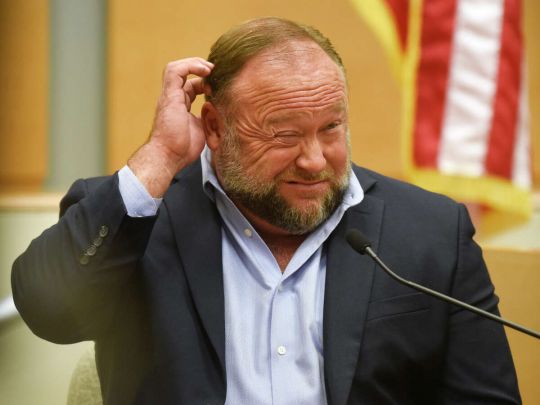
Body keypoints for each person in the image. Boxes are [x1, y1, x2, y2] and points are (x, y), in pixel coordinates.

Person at [12, 17, 520, 405]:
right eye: (284, 135)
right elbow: (49, 313)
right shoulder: (142, 219)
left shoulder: (430, 231)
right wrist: (160, 158)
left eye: (331, 128)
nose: (314, 160)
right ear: (215, 127)